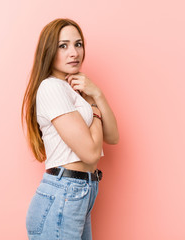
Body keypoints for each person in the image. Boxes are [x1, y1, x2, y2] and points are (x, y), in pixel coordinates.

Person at [21, 18, 119, 240]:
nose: (74, 52)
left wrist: (97, 93)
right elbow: (91, 153)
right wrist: (94, 106)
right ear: (48, 51)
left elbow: (113, 136)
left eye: (78, 44)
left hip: (79, 191)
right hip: (65, 191)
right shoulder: (51, 88)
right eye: (63, 46)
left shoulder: (73, 89)